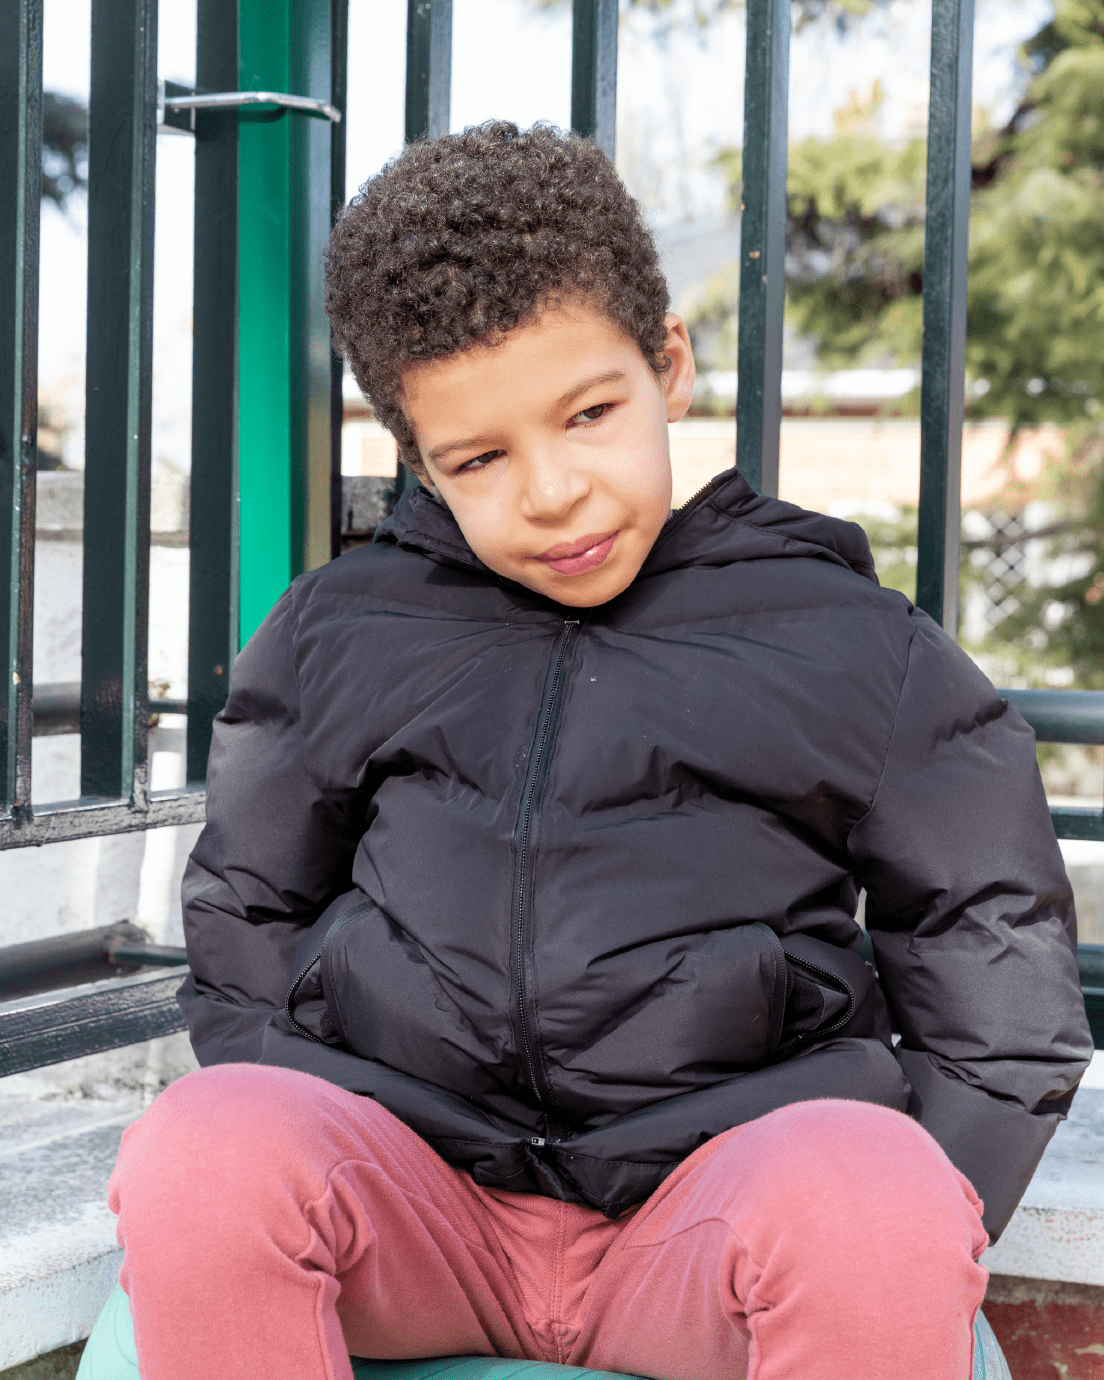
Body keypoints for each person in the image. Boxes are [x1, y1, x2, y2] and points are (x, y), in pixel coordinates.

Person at [107, 123, 1093, 1380]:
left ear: (668, 366)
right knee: (203, 1146)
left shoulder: (850, 646)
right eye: (481, 457)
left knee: (873, 1194)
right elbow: (248, 910)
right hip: (418, 1210)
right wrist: (315, 1095)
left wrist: (909, 1226)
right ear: (419, 460)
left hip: (714, 1222)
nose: (554, 489)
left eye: (588, 414)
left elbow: (990, 952)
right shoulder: (343, 632)